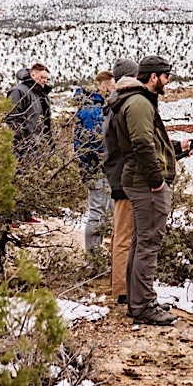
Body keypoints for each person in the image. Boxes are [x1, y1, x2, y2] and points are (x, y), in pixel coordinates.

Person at [106, 55, 193, 325]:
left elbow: (148, 143)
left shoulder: (134, 100)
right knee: (148, 244)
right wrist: (157, 180)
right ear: (153, 76)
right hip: (145, 182)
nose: (168, 81)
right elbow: (143, 144)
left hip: (138, 179)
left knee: (139, 242)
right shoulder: (139, 102)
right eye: (166, 76)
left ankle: (138, 301)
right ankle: (143, 305)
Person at [103, 58, 139, 305]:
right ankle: (122, 290)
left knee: (121, 233)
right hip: (124, 178)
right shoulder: (120, 105)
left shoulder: (112, 104)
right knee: (124, 234)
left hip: (118, 175)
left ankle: (121, 286)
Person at [74, 70, 116, 255]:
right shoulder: (92, 109)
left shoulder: (98, 106)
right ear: (104, 86)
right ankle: (92, 259)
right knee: (97, 212)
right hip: (96, 168)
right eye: (113, 87)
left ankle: (98, 254)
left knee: (107, 210)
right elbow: (95, 142)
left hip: (103, 167)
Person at [5, 63, 52, 223]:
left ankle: (25, 213)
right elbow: (12, 118)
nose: (45, 80)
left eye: (46, 78)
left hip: (36, 145)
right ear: (33, 75)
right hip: (21, 144)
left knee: (29, 179)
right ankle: (11, 217)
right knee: (17, 179)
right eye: (42, 77)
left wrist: (47, 142)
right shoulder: (19, 91)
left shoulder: (41, 94)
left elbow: (45, 122)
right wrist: (23, 138)